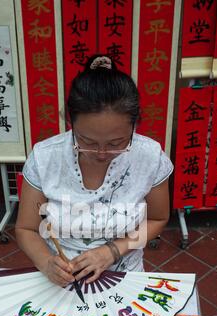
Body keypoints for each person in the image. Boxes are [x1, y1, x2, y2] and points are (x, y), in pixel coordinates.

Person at [15, 54, 173, 287]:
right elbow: (26, 228)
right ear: (69, 120)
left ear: (135, 125)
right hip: (60, 279)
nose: (100, 154)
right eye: (86, 141)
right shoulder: (45, 157)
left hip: (124, 274)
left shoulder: (149, 157)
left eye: (116, 143)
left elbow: (157, 218)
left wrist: (112, 251)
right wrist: (47, 262)